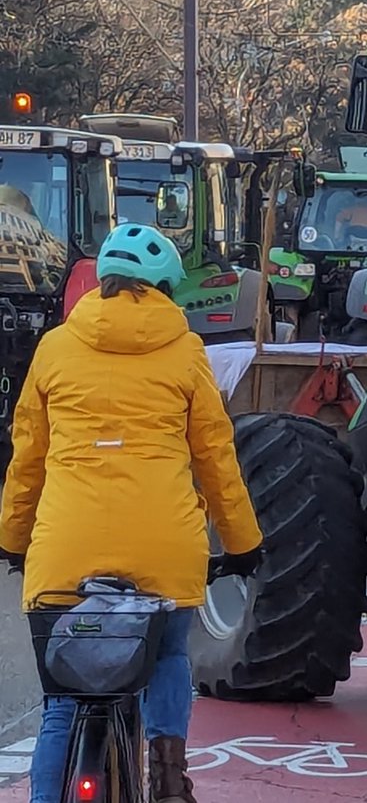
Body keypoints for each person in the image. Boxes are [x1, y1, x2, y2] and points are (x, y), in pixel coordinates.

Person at [0, 222, 264, 803]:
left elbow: (28, 462)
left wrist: (13, 541)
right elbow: (216, 459)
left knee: (62, 703)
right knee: (169, 652)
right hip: (163, 548)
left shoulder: (54, 348)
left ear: (103, 282)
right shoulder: (188, 352)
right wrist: (244, 545)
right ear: (167, 291)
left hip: (65, 553)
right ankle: (169, 781)